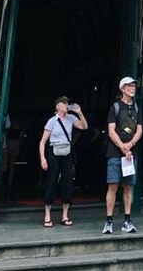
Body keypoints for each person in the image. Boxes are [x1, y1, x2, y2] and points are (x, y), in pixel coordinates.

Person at [102, 76, 143, 235]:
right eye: (129, 86)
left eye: (133, 86)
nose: (132, 88)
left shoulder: (137, 108)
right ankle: (109, 220)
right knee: (112, 185)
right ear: (122, 88)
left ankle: (127, 219)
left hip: (131, 153)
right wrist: (122, 147)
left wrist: (130, 145)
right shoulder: (115, 107)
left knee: (128, 186)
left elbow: (139, 130)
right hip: (115, 153)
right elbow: (111, 131)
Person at [39, 96, 88, 227]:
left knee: (67, 181)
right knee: (51, 181)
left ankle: (65, 215)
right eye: (64, 103)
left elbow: (84, 126)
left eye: (67, 103)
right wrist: (43, 159)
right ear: (57, 106)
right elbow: (43, 142)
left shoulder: (71, 118)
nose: (67, 105)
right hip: (54, 151)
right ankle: (47, 215)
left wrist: (79, 113)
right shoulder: (52, 121)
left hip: (67, 151)